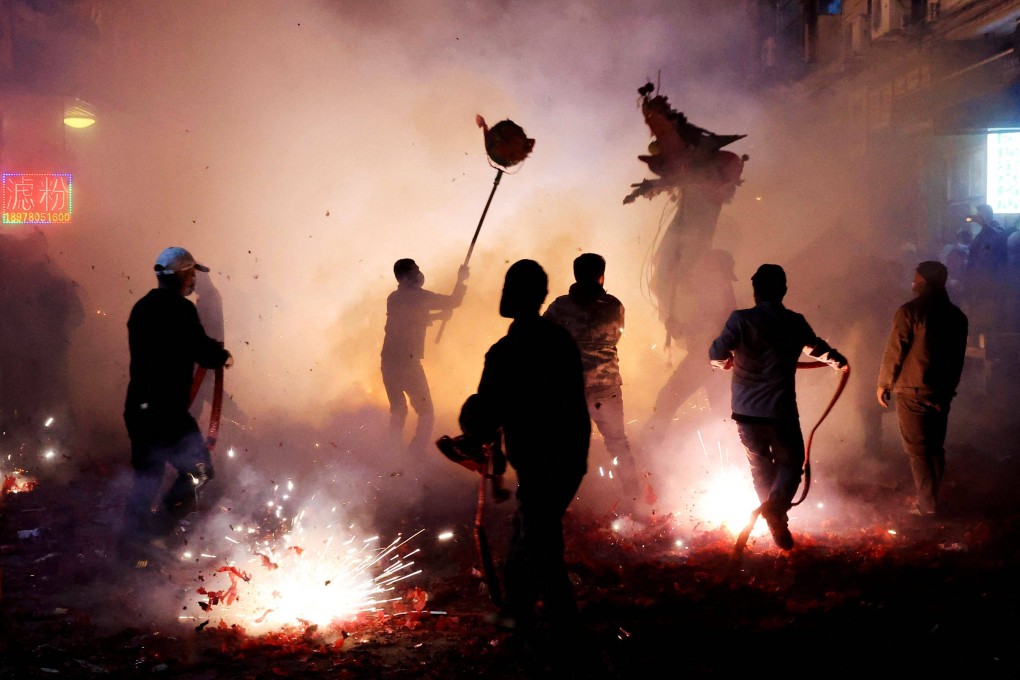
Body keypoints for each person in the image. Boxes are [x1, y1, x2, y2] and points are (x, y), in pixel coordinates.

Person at [462, 259, 590, 640]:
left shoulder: (506, 351)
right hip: (568, 456)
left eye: (508, 287)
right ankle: (531, 614)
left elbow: (487, 414)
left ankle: (559, 630)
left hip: (542, 459)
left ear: (516, 295)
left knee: (539, 543)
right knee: (532, 531)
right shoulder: (558, 339)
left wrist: (471, 426)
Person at [708, 264, 847, 550]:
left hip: (746, 413)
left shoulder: (740, 320)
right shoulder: (793, 321)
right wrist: (839, 361)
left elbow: (716, 354)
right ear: (783, 290)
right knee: (791, 465)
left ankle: (775, 518)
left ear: (755, 291)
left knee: (760, 468)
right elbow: (818, 349)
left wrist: (725, 363)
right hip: (780, 412)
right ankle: (776, 511)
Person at [123, 247, 233, 541]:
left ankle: (131, 551)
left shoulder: (142, 307)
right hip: (166, 413)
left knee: (147, 481)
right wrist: (221, 356)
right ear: (182, 275)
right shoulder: (181, 310)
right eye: (192, 273)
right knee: (200, 471)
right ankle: (157, 531)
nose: (194, 279)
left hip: (139, 409)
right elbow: (200, 348)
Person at [543, 253, 639, 508]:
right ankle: (635, 498)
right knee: (618, 443)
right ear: (601, 276)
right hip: (606, 387)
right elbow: (615, 338)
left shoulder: (560, 307)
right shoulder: (614, 306)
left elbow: (541, 338)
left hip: (568, 389)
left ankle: (560, 503)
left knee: (564, 447)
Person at [877, 261, 968, 517]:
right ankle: (932, 499)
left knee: (918, 450)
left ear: (924, 281)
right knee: (935, 447)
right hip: (941, 391)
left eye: (916, 278)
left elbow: (896, 350)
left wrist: (884, 383)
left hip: (912, 390)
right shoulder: (957, 316)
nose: (913, 282)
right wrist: (949, 387)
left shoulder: (910, 311)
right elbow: (958, 358)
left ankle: (927, 506)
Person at [645, 248, 738, 443]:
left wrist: (680, 328)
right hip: (719, 357)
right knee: (722, 410)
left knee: (669, 398)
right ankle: (733, 451)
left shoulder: (717, 289)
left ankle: (649, 445)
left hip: (708, 357)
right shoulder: (719, 288)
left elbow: (710, 322)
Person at [381, 259, 468, 455]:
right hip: (407, 363)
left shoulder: (393, 298)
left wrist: (437, 317)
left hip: (388, 362)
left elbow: (409, 320)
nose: (419, 274)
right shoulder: (419, 297)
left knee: (398, 410)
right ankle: (414, 455)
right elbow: (454, 301)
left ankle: (390, 455)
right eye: (415, 271)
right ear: (406, 277)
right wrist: (461, 280)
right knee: (426, 412)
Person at [962, 204, 1007, 338]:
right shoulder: (986, 233)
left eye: (978, 215)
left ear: (985, 216)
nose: (975, 219)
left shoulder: (994, 233)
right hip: (982, 286)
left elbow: (986, 259)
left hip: (987, 287)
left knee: (987, 322)